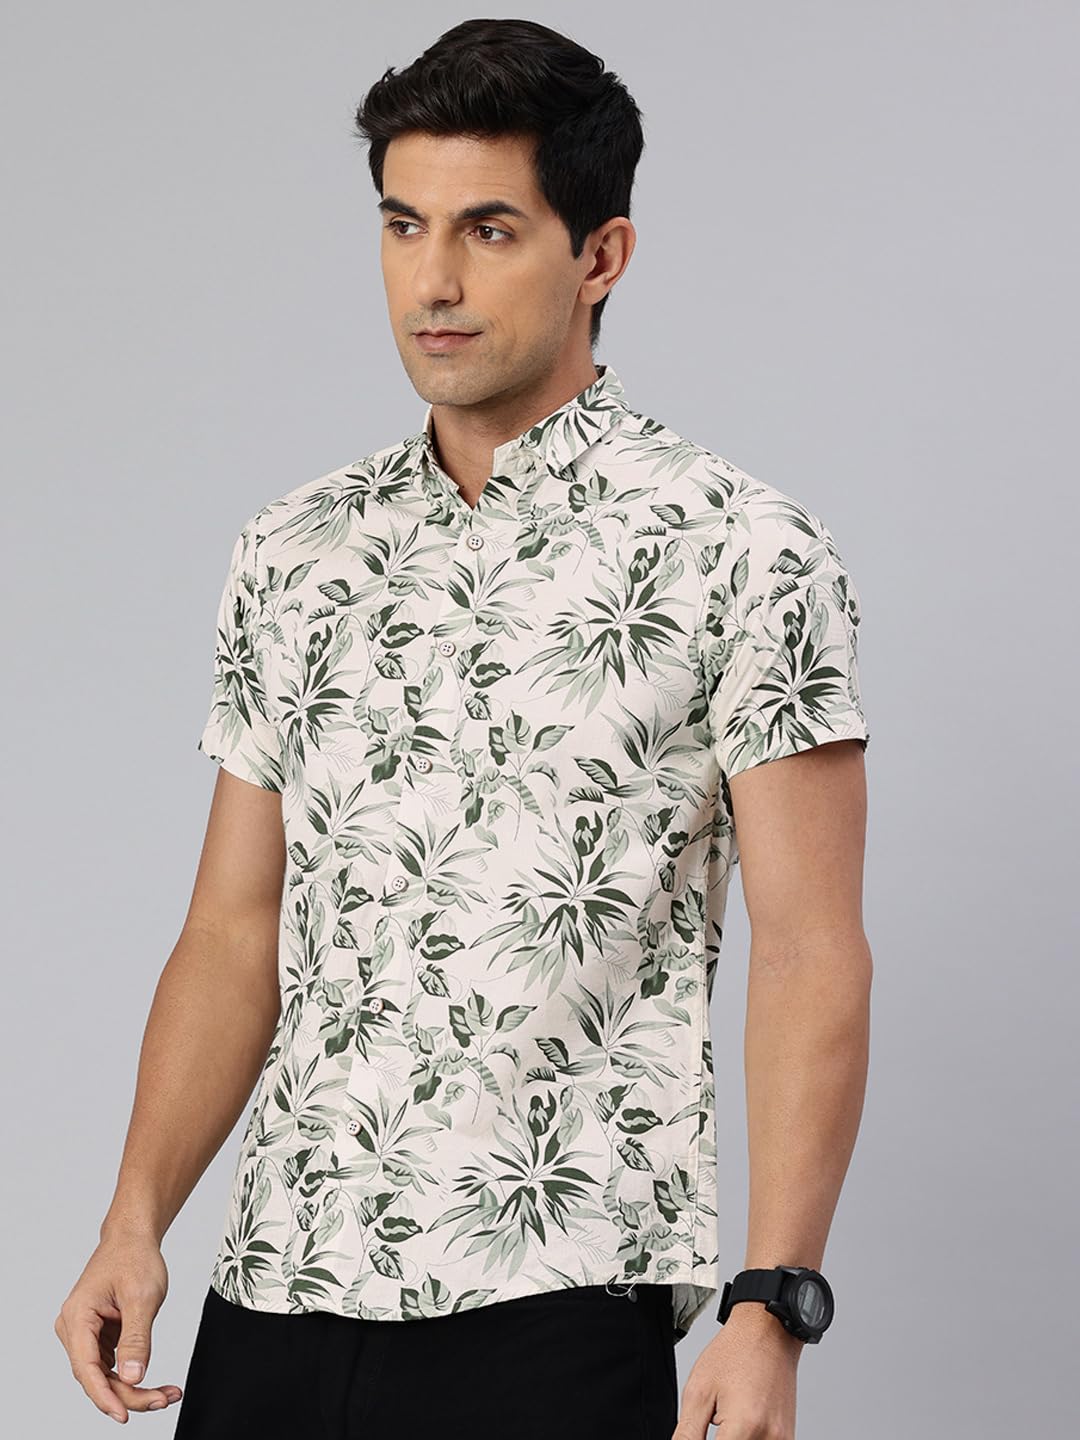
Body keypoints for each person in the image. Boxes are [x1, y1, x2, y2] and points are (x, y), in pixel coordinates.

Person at [54, 17, 873, 1439]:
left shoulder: (741, 549)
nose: (432, 280)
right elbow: (234, 929)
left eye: (489, 230)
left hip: (556, 1296)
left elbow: (811, 948)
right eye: (403, 225)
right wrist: (134, 1219)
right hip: (279, 1287)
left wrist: (772, 1300)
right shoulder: (295, 550)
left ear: (601, 256)